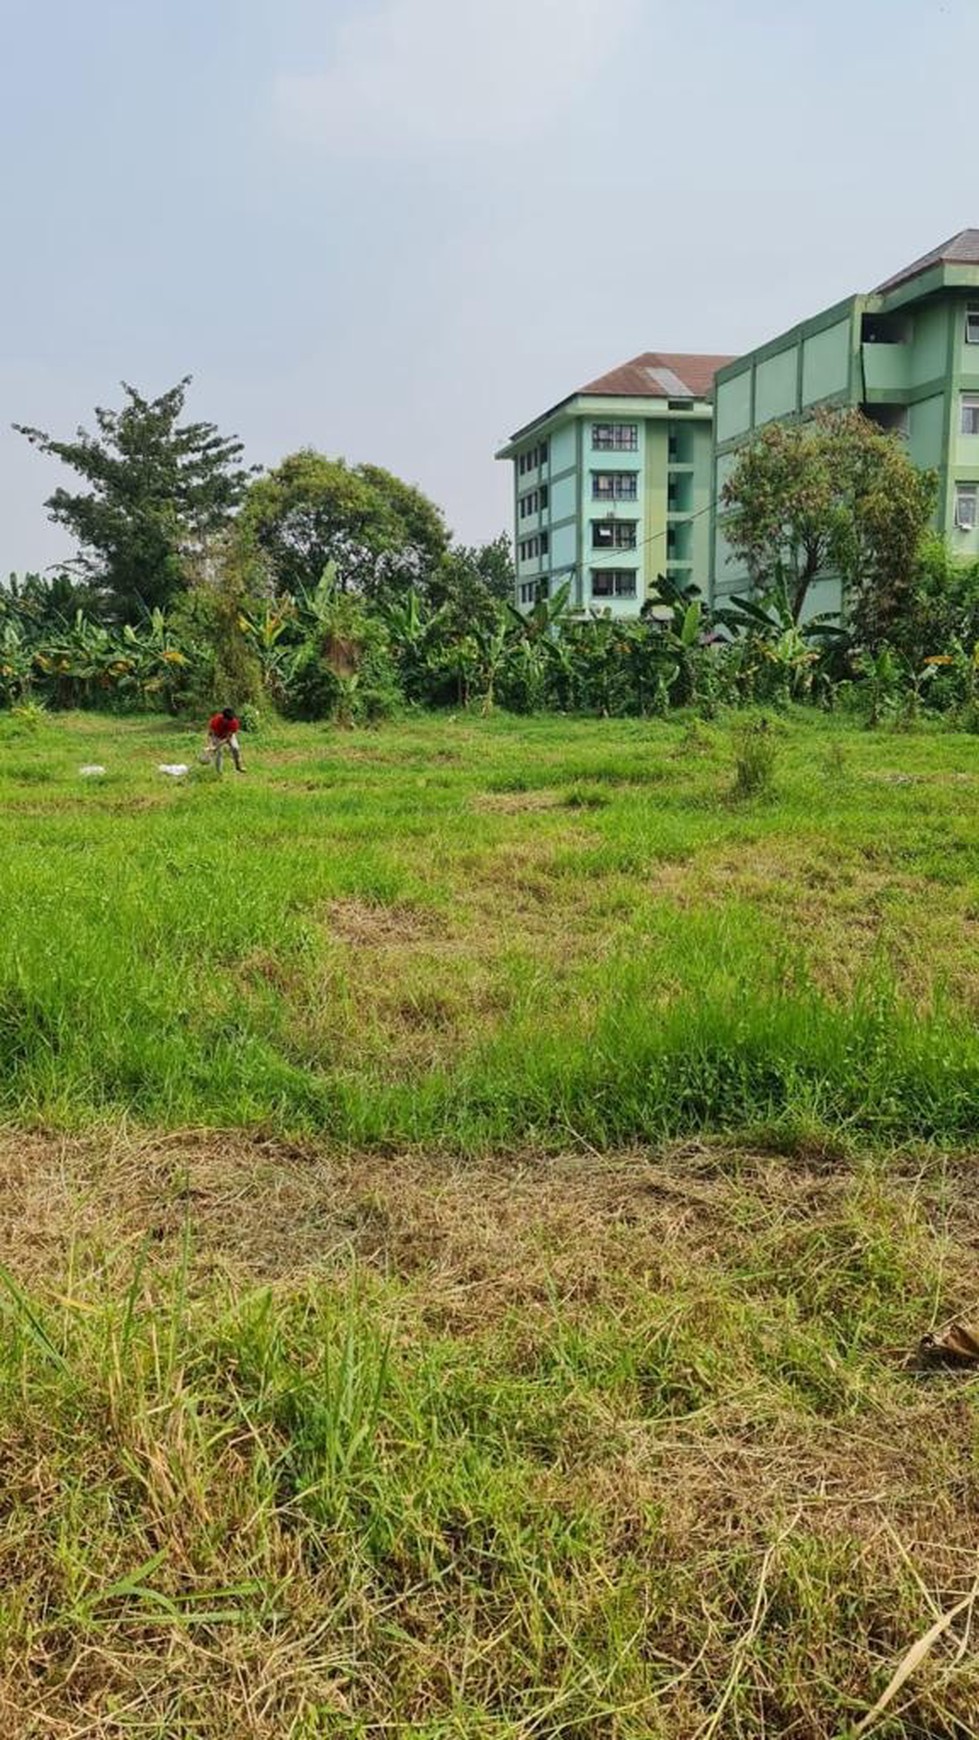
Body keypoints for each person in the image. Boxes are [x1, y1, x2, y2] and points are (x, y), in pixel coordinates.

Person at [202, 708, 245, 773]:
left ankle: (238, 767)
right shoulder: (216, 720)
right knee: (219, 753)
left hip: (227, 736)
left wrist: (217, 746)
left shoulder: (234, 723)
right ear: (223, 718)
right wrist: (210, 745)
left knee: (235, 748)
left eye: (230, 720)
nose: (229, 722)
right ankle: (219, 772)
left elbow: (228, 738)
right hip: (216, 736)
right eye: (227, 720)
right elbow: (210, 734)